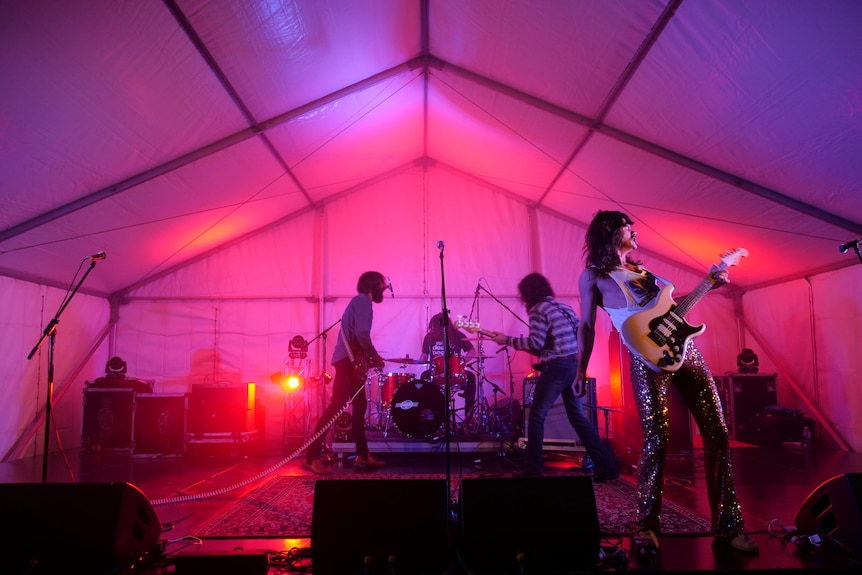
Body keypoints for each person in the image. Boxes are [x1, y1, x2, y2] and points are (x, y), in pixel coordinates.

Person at [575, 210, 758, 554]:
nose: (634, 231)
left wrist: (711, 281)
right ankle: (646, 526)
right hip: (645, 357)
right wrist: (580, 370)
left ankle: (729, 526)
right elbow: (585, 326)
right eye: (628, 227)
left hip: (685, 349)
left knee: (717, 431)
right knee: (657, 437)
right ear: (610, 232)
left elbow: (668, 307)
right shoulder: (594, 276)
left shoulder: (645, 272)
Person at [489, 273, 618, 479]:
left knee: (537, 415)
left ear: (529, 293)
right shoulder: (564, 308)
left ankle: (532, 470)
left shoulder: (538, 310)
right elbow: (579, 335)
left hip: (557, 367)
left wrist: (507, 339)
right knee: (578, 417)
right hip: (573, 364)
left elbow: (535, 344)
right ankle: (607, 467)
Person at [303, 271, 389, 475]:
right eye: (382, 285)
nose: (384, 288)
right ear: (371, 286)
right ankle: (311, 457)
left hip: (350, 362)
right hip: (347, 363)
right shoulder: (363, 302)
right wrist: (375, 356)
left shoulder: (359, 302)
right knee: (337, 407)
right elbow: (361, 334)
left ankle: (362, 454)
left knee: (360, 406)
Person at [419, 313, 478, 424]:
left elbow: (472, 351)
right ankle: (429, 415)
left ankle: (469, 417)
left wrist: (462, 362)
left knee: (471, 377)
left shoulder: (458, 335)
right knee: (424, 377)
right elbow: (424, 356)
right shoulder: (429, 337)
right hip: (436, 373)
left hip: (454, 373)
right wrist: (416, 361)